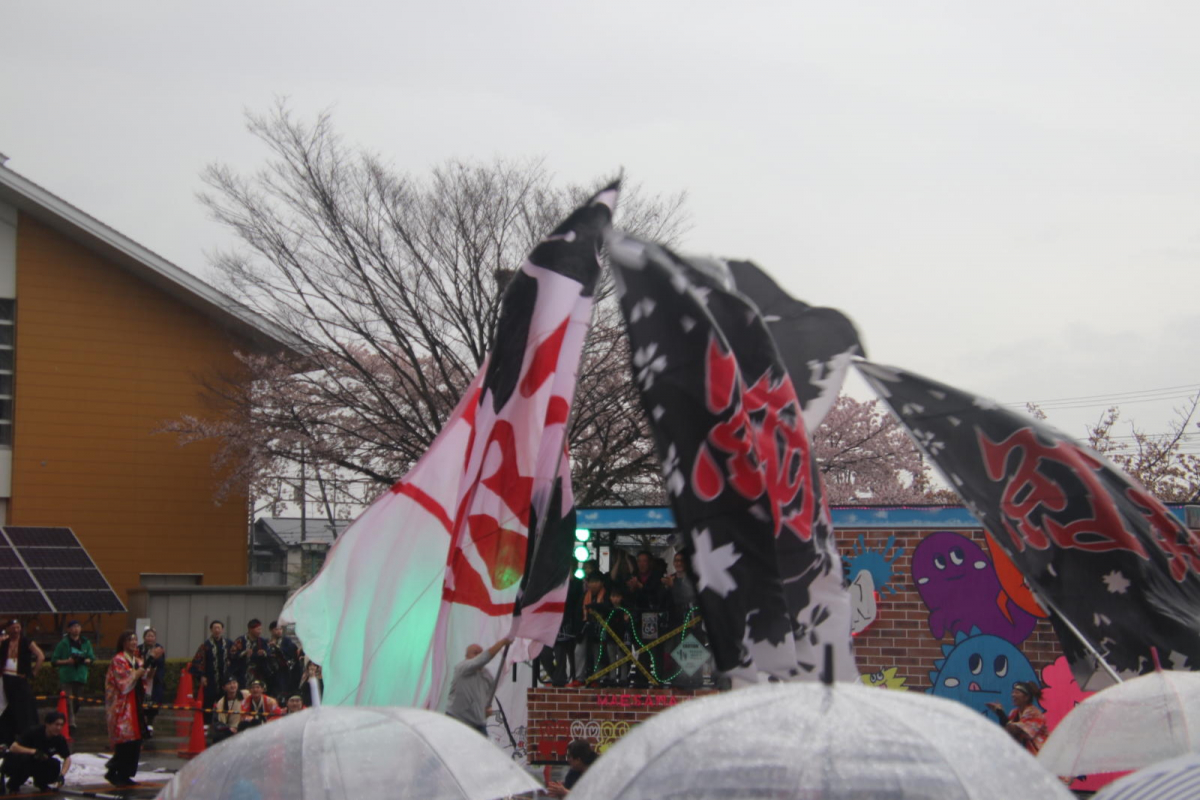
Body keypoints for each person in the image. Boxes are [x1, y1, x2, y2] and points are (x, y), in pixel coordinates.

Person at [104, 630, 150, 787]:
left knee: (135, 739)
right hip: (123, 704)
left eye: (135, 640)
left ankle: (126, 773)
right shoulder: (119, 659)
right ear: (123, 642)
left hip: (134, 702)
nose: (133, 642)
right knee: (125, 739)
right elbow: (123, 682)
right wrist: (137, 673)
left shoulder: (136, 659)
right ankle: (115, 770)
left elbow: (144, 676)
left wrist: (149, 665)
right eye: (130, 640)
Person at [446, 637, 510, 736]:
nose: (479, 656)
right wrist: (502, 643)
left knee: (485, 750)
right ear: (467, 656)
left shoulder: (487, 676)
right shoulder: (463, 667)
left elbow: (486, 698)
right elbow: (483, 658)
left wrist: (485, 709)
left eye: (480, 653)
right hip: (457, 720)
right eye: (475, 653)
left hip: (478, 724)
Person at [1, 711, 72, 792]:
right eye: (56, 724)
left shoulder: (59, 739)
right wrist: (34, 751)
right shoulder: (33, 732)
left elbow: (67, 758)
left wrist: (62, 775)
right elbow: (13, 747)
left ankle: (41, 783)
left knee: (54, 764)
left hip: (37, 763)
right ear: (47, 724)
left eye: (61, 725)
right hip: (19, 761)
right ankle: (13, 784)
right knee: (25, 760)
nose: (59, 728)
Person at [0, 620, 44, 746]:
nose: (15, 630)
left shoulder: (26, 641)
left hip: (20, 679)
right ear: (8, 629)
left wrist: (33, 673)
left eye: (18, 627)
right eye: (13, 628)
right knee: (8, 707)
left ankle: (27, 736)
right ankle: (7, 737)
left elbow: (40, 656)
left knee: (24, 708)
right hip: (6, 678)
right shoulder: (5, 643)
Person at [50, 620, 94, 729]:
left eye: (78, 626)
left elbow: (91, 657)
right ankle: (70, 723)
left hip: (80, 676)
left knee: (77, 701)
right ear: (68, 629)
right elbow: (54, 661)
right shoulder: (63, 643)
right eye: (73, 627)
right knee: (68, 700)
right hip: (67, 676)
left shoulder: (85, 642)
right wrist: (67, 662)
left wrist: (87, 660)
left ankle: (68, 717)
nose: (76, 629)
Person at [986, 681, 1049, 756]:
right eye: (1013, 692)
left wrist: (1000, 713)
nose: (1013, 695)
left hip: (1040, 755)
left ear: (1026, 697)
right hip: (1026, 757)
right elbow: (1007, 731)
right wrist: (999, 713)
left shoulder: (1034, 713)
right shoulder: (1014, 713)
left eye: (1017, 693)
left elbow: (1014, 729)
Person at [189, 620, 231, 725]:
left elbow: (235, 659)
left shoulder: (229, 644)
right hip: (210, 679)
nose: (217, 630)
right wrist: (202, 676)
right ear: (211, 630)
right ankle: (206, 725)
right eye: (215, 628)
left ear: (222, 630)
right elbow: (198, 661)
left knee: (226, 703)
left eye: (219, 628)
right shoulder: (205, 645)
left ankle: (225, 725)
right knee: (207, 703)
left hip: (225, 680)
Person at [230, 619, 273, 691]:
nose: (260, 631)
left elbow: (270, 653)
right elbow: (232, 654)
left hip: (258, 672)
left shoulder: (262, 641)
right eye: (258, 629)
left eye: (260, 629)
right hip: (242, 672)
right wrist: (244, 653)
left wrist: (264, 653)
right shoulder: (240, 640)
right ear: (250, 629)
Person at [137, 627, 166, 734]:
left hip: (154, 679)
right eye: (148, 636)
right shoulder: (139, 649)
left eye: (152, 636)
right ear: (144, 637)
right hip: (141, 677)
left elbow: (161, 664)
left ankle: (150, 723)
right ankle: (141, 722)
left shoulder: (159, 648)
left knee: (153, 701)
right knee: (140, 700)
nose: (150, 638)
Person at [267, 621, 301, 701]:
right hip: (272, 672)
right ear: (271, 630)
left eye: (280, 629)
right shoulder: (268, 642)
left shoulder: (286, 641)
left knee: (283, 691)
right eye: (276, 629)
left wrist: (277, 647)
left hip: (284, 672)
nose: (279, 631)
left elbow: (291, 652)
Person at [210, 677, 248, 745]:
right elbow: (217, 722)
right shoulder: (220, 703)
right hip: (230, 729)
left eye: (234, 683)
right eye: (229, 684)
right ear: (224, 687)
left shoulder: (245, 694)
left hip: (244, 726)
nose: (232, 685)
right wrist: (229, 728)